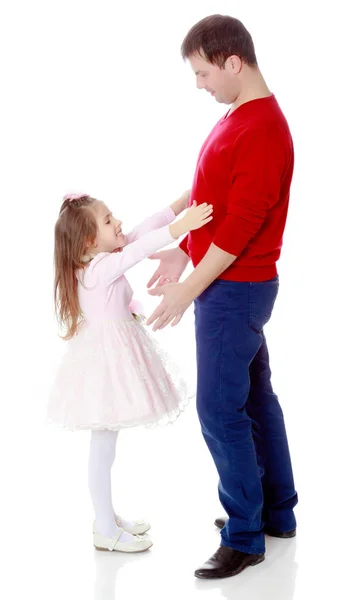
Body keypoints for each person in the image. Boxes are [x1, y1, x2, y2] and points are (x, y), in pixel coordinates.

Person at [147, 14, 298, 578]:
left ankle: (244, 536)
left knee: (218, 408)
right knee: (255, 399)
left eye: (203, 71)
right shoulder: (240, 115)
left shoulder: (263, 129)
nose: (199, 84)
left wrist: (187, 289)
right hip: (231, 285)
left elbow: (236, 231)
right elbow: (208, 193)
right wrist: (176, 246)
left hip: (234, 290)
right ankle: (276, 513)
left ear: (234, 62)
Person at [47, 190, 213, 553]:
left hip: (110, 359)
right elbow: (139, 249)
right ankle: (104, 528)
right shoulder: (98, 269)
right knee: (103, 446)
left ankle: (107, 517)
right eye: (108, 220)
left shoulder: (102, 257)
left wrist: (182, 203)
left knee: (107, 445)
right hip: (105, 365)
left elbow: (140, 232)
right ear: (90, 241)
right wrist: (179, 230)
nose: (118, 222)